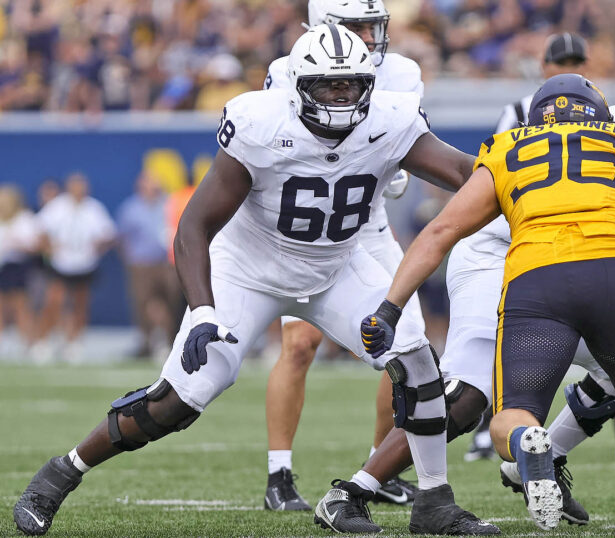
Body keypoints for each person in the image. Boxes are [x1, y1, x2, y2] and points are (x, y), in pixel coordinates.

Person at [12, 25, 493, 537]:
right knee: (180, 398)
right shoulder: (261, 124)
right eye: (329, 86)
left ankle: (433, 503)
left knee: (418, 364)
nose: (341, 96)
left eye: (351, 85)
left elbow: (466, 173)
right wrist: (202, 311)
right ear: (298, 87)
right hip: (249, 269)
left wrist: (519, 170)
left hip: (337, 266)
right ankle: (61, 472)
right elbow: (194, 226)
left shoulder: (390, 120)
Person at [360, 73, 615, 537]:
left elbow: (440, 232)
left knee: (512, 412)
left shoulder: (508, 152)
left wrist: (390, 308)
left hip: (538, 280)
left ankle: (527, 444)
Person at [261, 0, 425, 511]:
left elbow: (407, 144)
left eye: (372, 25)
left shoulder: (401, 72)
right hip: (310, 225)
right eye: (353, 25)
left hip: (368, 221)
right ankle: (278, 475)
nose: (366, 37)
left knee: (409, 346)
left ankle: (379, 468)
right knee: (299, 344)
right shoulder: (286, 70)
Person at [465, 31, 592, 464]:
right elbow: (500, 175)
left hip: (573, 243)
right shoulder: (518, 113)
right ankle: (493, 430)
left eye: (576, 60)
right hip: (516, 240)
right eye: (561, 61)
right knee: (496, 347)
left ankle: (546, 445)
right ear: (543, 68)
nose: (568, 68)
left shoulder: (600, 113)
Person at [34, 173, 116, 361]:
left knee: (80, 304)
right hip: (60, 264)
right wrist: (49, 249)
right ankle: (43, 341)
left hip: (84, 264)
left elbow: (108, 234)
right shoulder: (57, 206)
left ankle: (74, 342)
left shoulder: (94, 208)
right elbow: (40, 229)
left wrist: (99, 246)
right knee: (54, 302)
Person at [117, 172, 180, 360]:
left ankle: (166, 341)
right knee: (146, 303)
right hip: (142, 264)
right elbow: (122, 238)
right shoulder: (131, 208)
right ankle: (150, 341)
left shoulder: (169, 204)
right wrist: (131, 259)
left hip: (167, 263)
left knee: (170, 303)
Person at [0, 185, 39, 352]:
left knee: (20, 305)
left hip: (17, 267)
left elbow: (34, 245)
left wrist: (17, 243)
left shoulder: (25, 218)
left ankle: (30, 344)